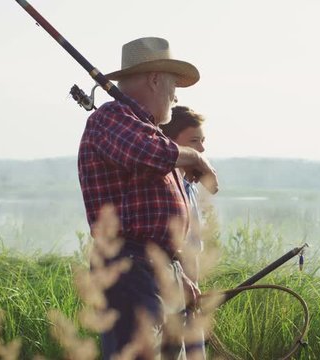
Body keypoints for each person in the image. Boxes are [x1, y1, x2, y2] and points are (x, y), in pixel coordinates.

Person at [77, 37, 218, 360]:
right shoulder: (110, 119)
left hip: (154, 268)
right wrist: (194, 159)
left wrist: (176, 273)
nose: (175, 95)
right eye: (172, 85)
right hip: (129, 267)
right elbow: (146, 154)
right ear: (155, 79)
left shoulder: (145, 129)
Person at [160, 106, 208, 359]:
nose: (201, 150)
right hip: (169, 298)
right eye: (193, 141)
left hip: (190, 298)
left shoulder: (189, 186)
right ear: (171, 145)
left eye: (202, 141)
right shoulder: (161, 189)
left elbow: (192, 250)